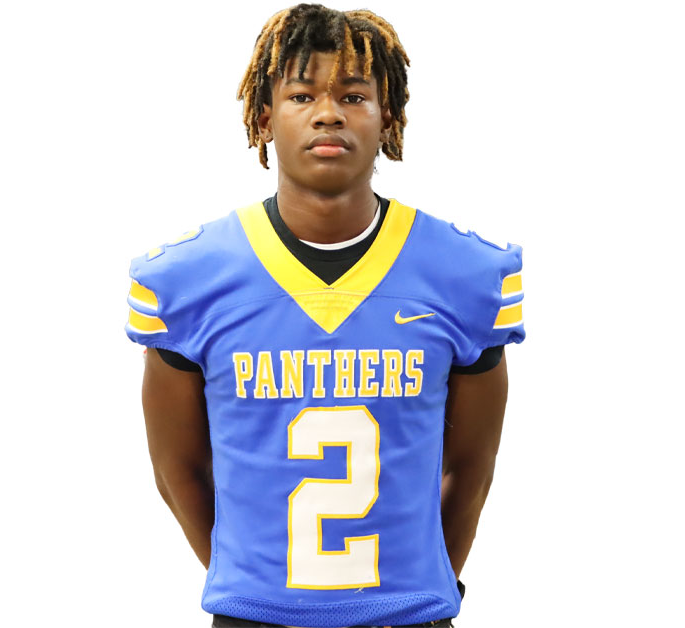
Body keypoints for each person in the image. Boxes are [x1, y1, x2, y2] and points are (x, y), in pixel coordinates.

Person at [125, 4, 525, 626]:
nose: (329, 113)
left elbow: (470, 468)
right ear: (265, 117)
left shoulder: (466, 273)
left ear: (388, 115)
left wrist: (419, 588)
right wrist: (253, 586)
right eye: (302, 94)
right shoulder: (186, 277)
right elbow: (178, 468)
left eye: (354, 96)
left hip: (409, 615)